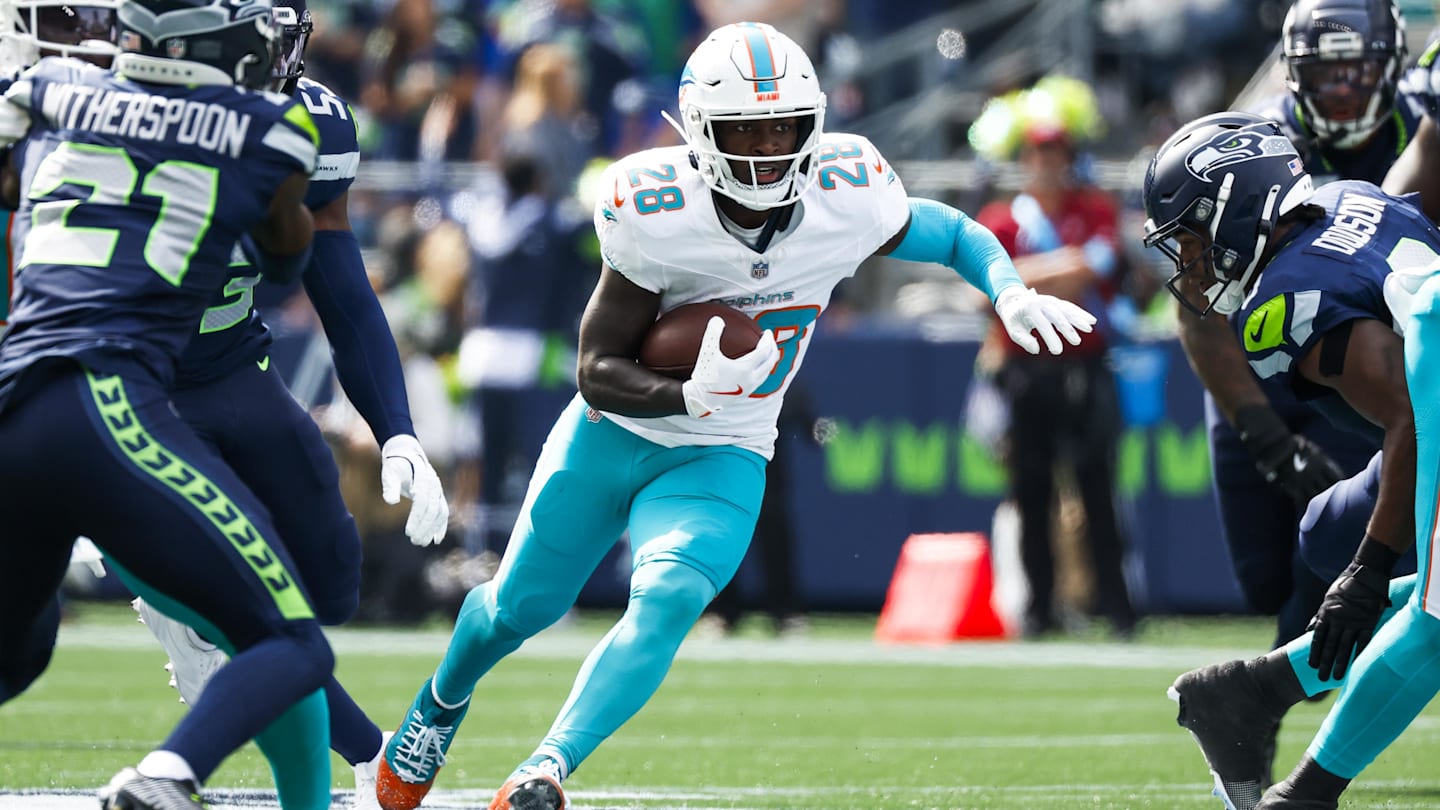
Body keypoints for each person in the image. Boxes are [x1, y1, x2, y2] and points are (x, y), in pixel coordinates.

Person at [373, 21, 1096, 810]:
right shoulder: (656, 209)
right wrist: (685, 394)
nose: (769, 146)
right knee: (519, 610)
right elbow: (596, 369)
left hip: (723, 450)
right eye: (746, 129)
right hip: (613, 436)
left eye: (784, 125)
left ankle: (545, 768)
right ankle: (440, 703)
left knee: (668, 600)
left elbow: (951, 233)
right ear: (699, 132)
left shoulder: (845, 191)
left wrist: (1008, 291)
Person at [0, 0, 337, 807]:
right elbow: (285, 264)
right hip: (107, 404)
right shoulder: (270, 129)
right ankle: (166, 776)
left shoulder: (48, 90)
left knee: (15, 658)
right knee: (293, 641)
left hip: (13, 404)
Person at [116, 0, 449, 806]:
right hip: (128, 379)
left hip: (233, 369)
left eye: (283, 30)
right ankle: (360, 750)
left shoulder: (313, 122)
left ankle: (196, 619)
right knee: (243, 603)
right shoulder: (114, 107)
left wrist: (398, 430)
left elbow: (341, 286)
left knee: (331, 580)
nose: (275, 50)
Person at [1142, 111, 1433, 810]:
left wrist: (1369, 569)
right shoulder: (1345, 197)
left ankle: (1258, 700)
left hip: (1431, 419)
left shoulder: (1287, 298)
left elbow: (1415, 418)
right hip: (1431, 419)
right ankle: (1279, 744)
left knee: (1408, 592)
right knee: (1375, 568)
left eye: (1192, 237)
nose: (1190, 261)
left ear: (1240, 207)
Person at [1178, 0, 1416, 658]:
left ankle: (1287, 682)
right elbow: (1197, 305)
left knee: (1327, 556)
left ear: (1390, 67)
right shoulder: (1252, 148)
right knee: (1261, 579)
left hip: (1355, 357)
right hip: (1256, 360)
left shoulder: (1423, 131)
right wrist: (1268, 439)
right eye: (1323, 72)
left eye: (1355, 70)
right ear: (1292, 73)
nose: (1340, 89)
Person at [973, 77, 1137, 639]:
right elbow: (982, 290)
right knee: (1031, 491)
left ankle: (1117, 608)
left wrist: (1021, 279)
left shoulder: (1093, 208)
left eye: (1057, 155)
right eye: (1038, 155)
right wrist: (1064, 266)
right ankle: (1038, 609)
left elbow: (1098, 265)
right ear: (1025, 160)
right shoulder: (1001, 219)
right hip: (1027, 371)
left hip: (1083, 368)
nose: (1048, 165)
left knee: (1099, 488)